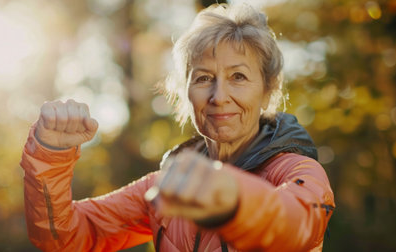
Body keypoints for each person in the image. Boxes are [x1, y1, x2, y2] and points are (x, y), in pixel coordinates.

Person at [21, 3, 335, 252]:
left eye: (238, 77)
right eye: (203, 78)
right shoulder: (165, 186)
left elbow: (299, 225)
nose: (219, 96)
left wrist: (232, 196)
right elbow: (64, 238)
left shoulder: (298, 170)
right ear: (185, 93)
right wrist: (50, 155)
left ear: (267, 91)